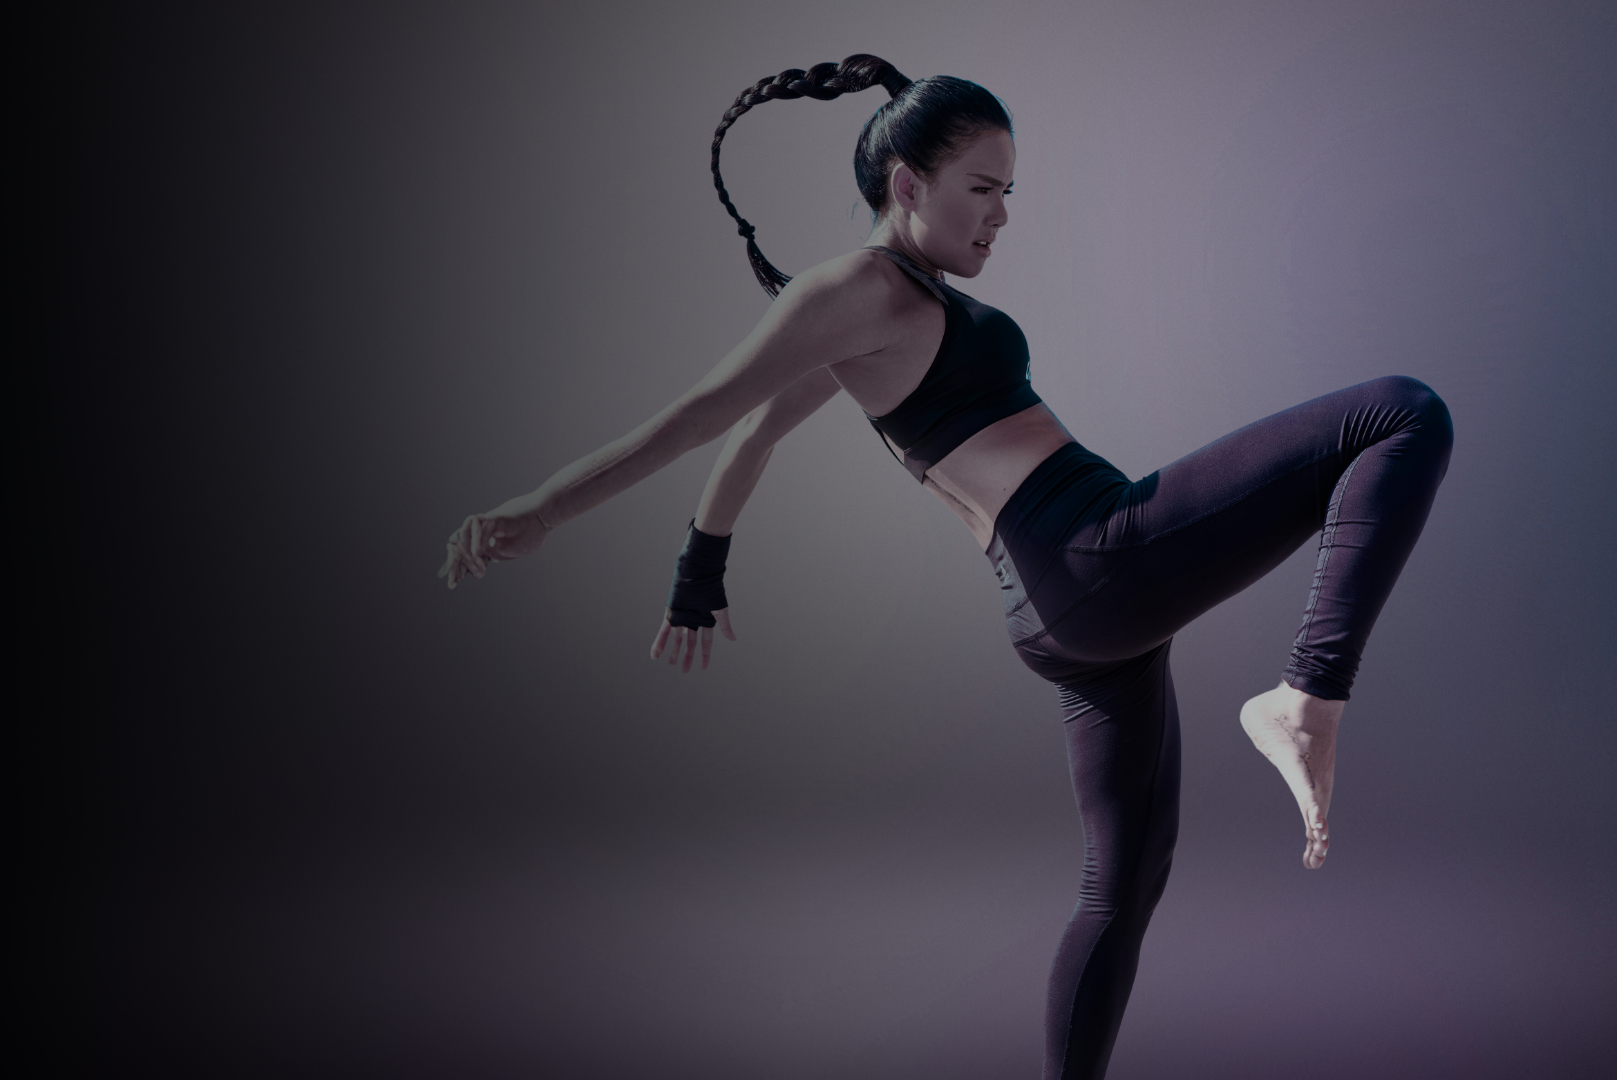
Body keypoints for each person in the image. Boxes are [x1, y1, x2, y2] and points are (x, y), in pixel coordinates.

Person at [438, 55, 1452, 1080]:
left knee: (1122, 886)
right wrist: (543, 508)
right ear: (907, 185)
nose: (1002, 215)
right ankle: (1308, 696)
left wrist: (699, 573)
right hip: (1091, 553)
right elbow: (704, 415)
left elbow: (753, 439)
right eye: (982, 188)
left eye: (1009, 191)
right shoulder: (854, 289)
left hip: (1063, 612)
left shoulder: (887, 309)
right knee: (1402, 414)